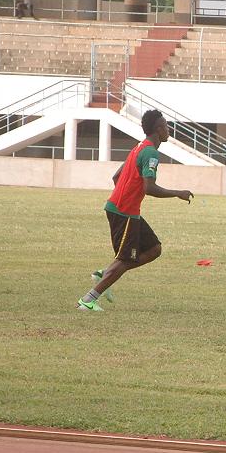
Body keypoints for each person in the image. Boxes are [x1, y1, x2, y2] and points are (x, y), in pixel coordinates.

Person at [77, 109, 192, 311]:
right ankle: (88, 300)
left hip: (126, 210)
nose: (168, 130)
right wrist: (177, 193)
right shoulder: (150, 153)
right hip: (124, 212)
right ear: (158, 130)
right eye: (166, 126)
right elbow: (149, 188)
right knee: (124, 260)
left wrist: (126, 195)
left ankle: (106, 273)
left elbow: (116, 176)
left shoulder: (140, 147)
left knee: (154, 249)